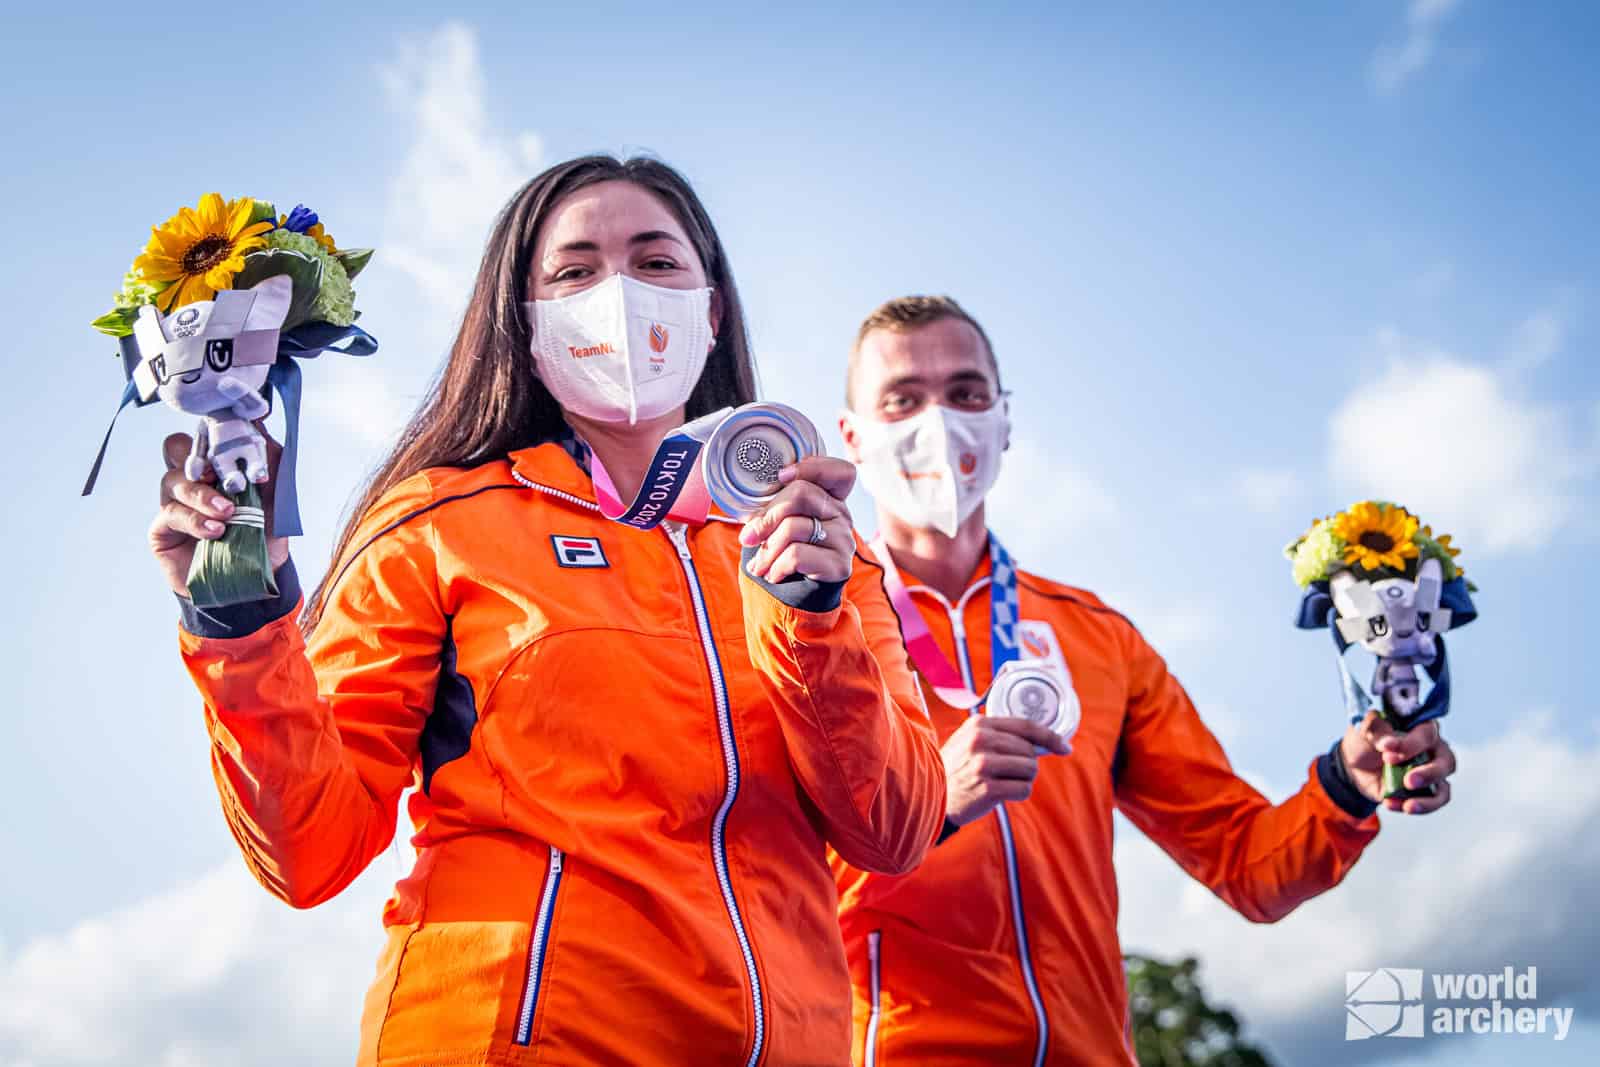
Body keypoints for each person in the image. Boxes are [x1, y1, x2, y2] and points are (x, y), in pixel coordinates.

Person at [150, 156, 946, 1066]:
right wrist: (237, 616)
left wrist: (809, 619)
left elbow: (894, 829)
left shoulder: (829, 550)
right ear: (526, 325)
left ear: (712, 308)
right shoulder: (438, 524)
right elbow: (307, 850)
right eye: (574, 271)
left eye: (656, 262)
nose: (619, 293)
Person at [832, 295, 1459, 1066]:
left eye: (966, 393)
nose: (940, 420)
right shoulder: (814, 628)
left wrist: (1346, 784)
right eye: (903, 399)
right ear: (853, 437)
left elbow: (1248, 865)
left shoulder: (1098, 636)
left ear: (1004, 418)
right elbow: (764, 883)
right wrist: (933, 804)